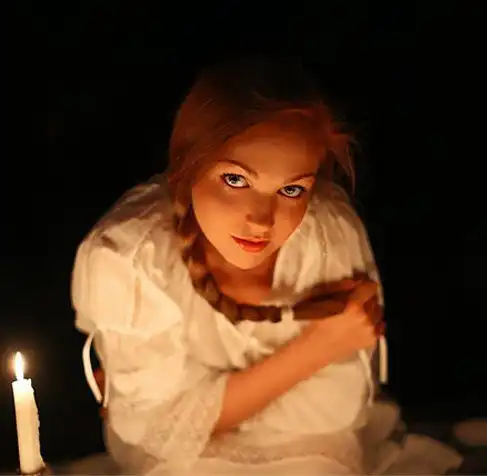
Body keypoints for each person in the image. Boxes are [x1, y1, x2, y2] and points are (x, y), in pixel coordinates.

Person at [71, 57, 463, 475]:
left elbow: (335, 409)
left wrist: (199, 411)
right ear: (187, 167)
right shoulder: (130, 257)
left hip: (311, 448)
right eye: (235, 180)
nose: (261, 220)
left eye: (291, 189)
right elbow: (158, 432)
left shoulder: (327, 237)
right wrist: (318, 348)